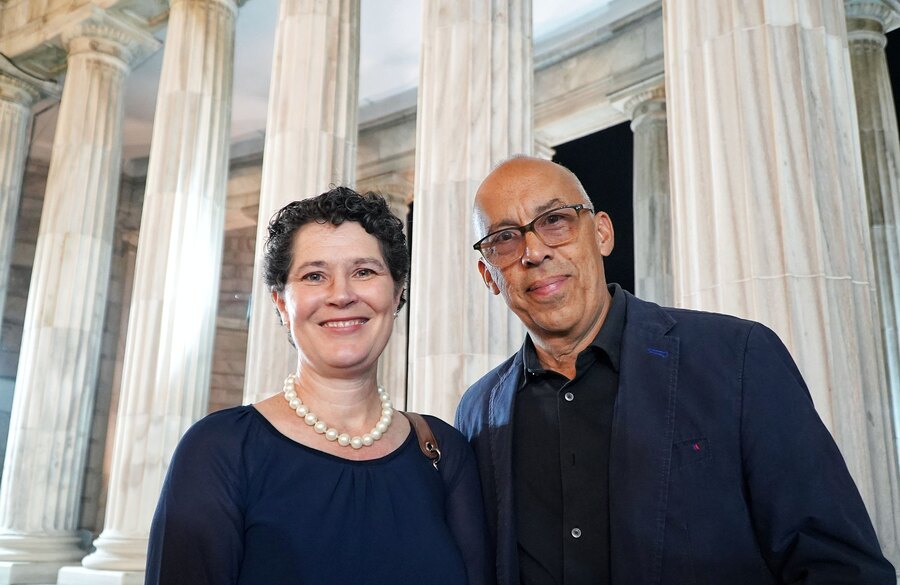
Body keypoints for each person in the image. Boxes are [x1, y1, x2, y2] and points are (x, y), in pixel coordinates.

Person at [455, 156, 896, 585]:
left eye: (555, 220)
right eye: (505, 239)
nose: (534, 252)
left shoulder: (738, 357)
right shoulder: (477, 413)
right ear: (488, 275)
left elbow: (840, 567)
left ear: (602, 233)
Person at [146, 187, 492, 585]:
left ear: (398, 292)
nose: (341, 295)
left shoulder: (444, 451)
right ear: (281, 302)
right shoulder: (218, 450)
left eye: (364, 272)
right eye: (314, 276)